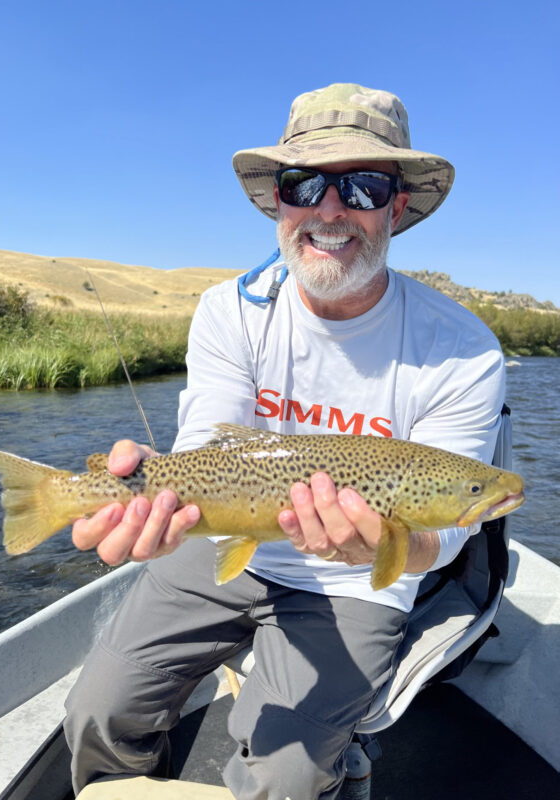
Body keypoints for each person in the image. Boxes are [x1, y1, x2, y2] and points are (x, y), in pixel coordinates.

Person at [64, 83, 505, 799]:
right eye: (305, 183)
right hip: (222, 548)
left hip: (356, 583)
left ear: (397, 206)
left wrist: (390, 547)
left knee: (286, 778)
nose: (330, 209)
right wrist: (152, 492)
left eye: (363, 186)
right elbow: (206, 440)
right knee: (95, 713)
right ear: (279, 201)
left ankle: (333, 762)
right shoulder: (229, 310)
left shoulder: (462, 350)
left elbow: (446, 536)